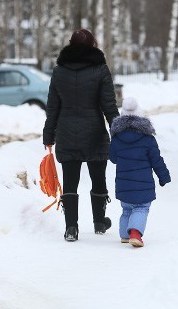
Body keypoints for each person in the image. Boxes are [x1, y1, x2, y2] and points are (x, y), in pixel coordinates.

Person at [43, 29, 120, 242]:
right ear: (92, 45)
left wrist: (49, 134)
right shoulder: (100, 69)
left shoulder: (59, 71)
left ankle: (71, 228)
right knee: (98, 178)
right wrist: (118, 130)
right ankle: (99, 222)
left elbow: (53, 107)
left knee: (70, 181)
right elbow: (109, 105)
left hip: (67, 131)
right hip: (94, 131)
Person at [109, 97, 171, 248]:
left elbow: (113, 158)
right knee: (141, 208)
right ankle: (135, 233)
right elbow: (156, 160)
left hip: (124, 184)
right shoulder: (147, 139)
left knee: (127, 208)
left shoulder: (117, 138)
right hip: (143, 185)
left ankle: (125, 235)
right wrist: (164, 176)